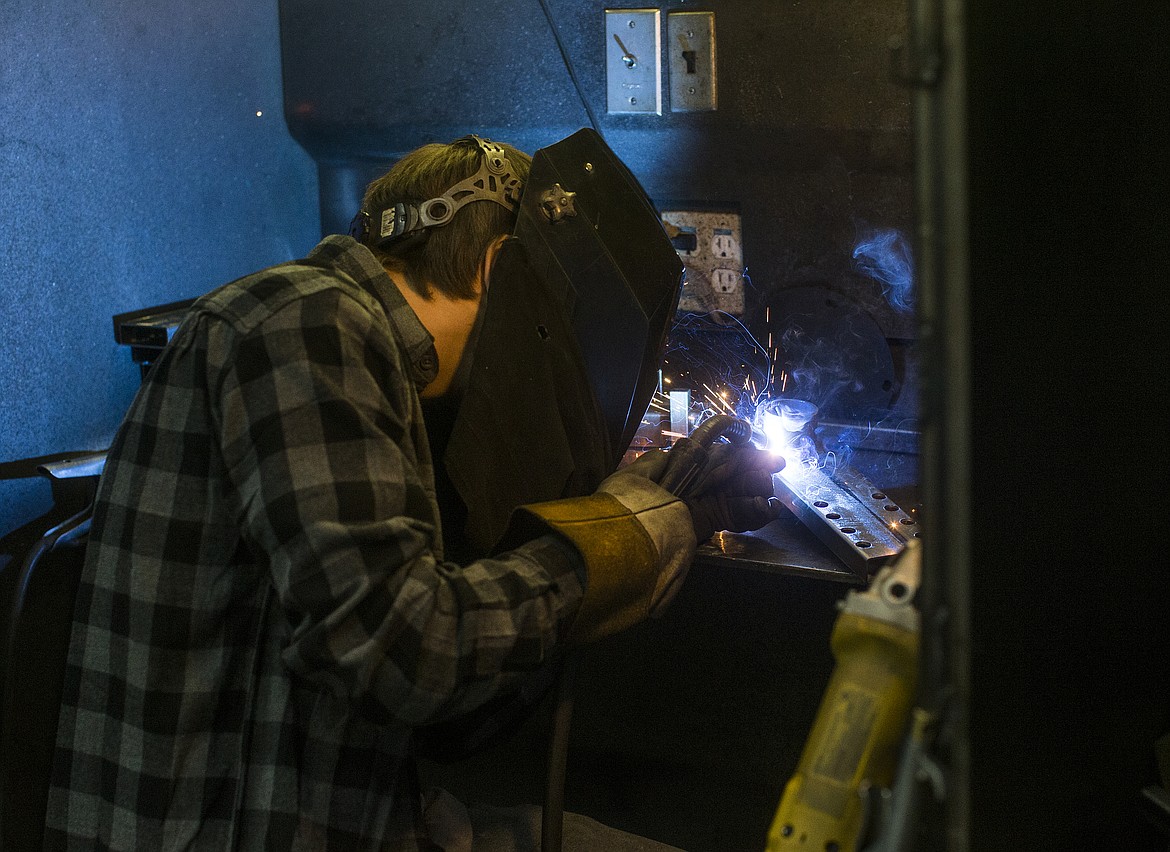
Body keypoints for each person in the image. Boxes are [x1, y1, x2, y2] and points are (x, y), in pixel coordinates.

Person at [44, 132, 782, 850]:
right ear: (500, 267)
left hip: (343, 809)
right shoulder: (305, 318)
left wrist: (672, 502)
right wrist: (612, 541)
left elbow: (450, 723)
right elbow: (403, 651)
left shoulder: (386, 378)